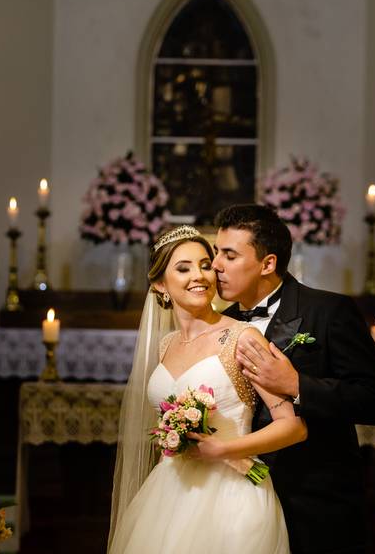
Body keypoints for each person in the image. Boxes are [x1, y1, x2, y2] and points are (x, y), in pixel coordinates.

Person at [108, 225, 306, 554]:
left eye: (204, 265)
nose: (199, 276)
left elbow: (293, 426)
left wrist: (225, 449)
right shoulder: (165, 346)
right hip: (169, 492)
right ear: (160, 285)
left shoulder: (242, 337)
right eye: (183, 268)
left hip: (233, 497)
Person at [211, 204, 375, 554]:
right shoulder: (220, 324)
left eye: (229, 255)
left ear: (268, 263)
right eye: (217, 252)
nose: (216, 264)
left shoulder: (328, 312)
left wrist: (296, 385)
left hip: (312, 499)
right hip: (237, 498)